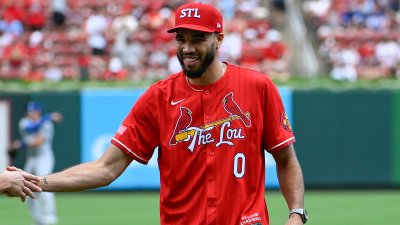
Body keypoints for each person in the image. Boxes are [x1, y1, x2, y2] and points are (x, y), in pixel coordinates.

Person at [14, 2, 308, 225]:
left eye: (197, 39)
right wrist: (36, 181)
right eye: (181, 39)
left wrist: (296, 213)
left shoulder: (257, 87)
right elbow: (105, 169)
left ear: (219, 39)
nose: (187, 48)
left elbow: (286, 159)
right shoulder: (158, 98)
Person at [11, 101, 63, 225]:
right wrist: (48, 116)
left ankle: (50, 217)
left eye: (34, 111)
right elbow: (31, 128)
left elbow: (39, 141)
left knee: (44, 184)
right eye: (30, 111)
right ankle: (39, 220)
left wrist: (20, 144)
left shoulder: (47, 124)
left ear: (39, 112)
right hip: (32, 159)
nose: (32, 114)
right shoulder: (24, 122)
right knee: (27, 188)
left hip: (44, 158)